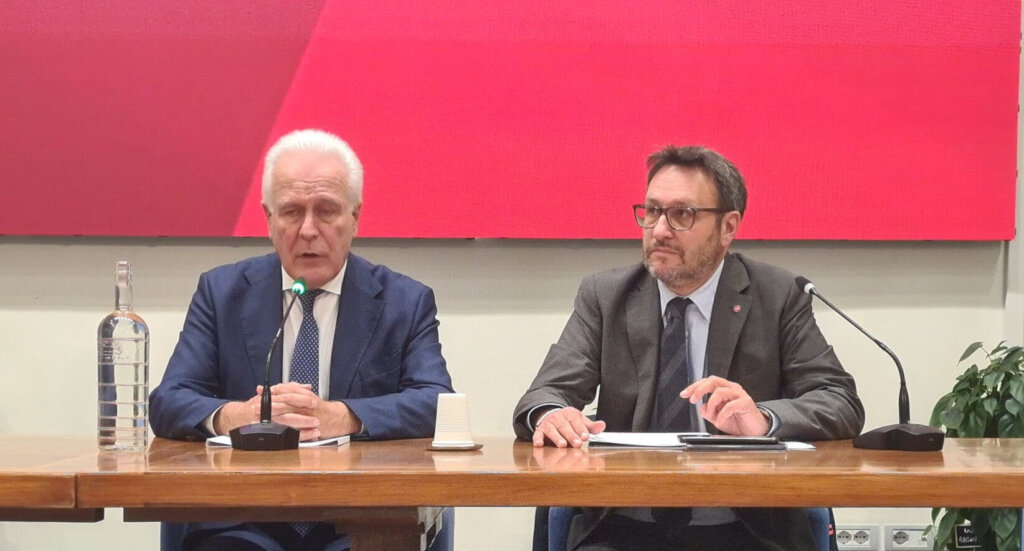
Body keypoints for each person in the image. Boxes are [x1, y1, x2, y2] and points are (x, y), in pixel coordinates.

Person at [513, 145, 864, 551]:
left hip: (746, 528)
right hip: (622, 527)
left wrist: (764, 420)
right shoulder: (606, 295)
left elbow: (839, 400)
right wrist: (552, 414)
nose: (660, 230)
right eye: (652, 211)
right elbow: (543, 395)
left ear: (728, 227)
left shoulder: (777, 295)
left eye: (682, 214)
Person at [150, 128, 454, 551]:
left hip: (361, 521)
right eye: (292, 212)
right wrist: (239, 416)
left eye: (326, 211)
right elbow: (169, 400)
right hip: (243, 521)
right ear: (269, 219)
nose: (308, 230)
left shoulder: (404, 301)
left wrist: (342, 417)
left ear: (355, 217)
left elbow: (437, 402)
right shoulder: (221, 293)